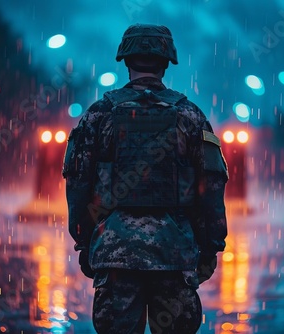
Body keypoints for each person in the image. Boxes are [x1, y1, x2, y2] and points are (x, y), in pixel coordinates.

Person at [62, 23, 228, 334]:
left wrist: (84, 240)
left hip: (115, 258)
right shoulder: (191, 116)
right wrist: (210, 246)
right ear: (167, 62)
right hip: (174, 256)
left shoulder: (99, 115)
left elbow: (77, 182)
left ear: (126, 61)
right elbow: (212, 185)